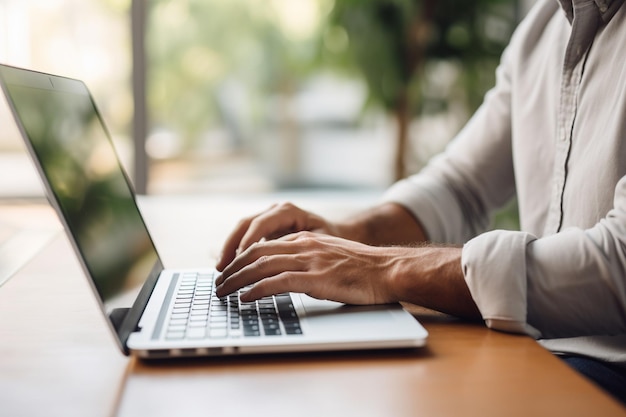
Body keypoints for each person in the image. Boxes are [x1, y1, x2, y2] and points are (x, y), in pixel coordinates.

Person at [215, 0, 626, 404]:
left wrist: (382, 267)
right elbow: (461, 185)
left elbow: (618, 262)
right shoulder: (544, 26)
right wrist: (349, 235)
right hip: (541, 348)